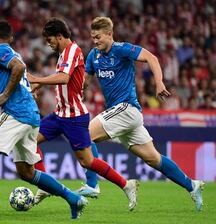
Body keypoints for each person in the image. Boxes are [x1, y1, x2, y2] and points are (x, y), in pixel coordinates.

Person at [0, 20, 88, 220]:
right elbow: (14, 78)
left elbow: (18, 69)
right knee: (27, 173)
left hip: (16, 113)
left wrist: (3, 96)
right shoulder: (13, 53)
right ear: (11, 38)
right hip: (31, 115)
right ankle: (72, 198)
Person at [84, 17, 204, 211]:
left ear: (109, 34)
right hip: (119, 114)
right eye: (93, 37)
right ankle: (192, 185)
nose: (95, 41)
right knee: (153, 159)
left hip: (127, 109)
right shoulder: (93, 55)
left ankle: (92, 185)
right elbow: (85, 81)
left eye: (98, 37)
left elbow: (151, 58)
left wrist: (159, 83)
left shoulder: (122, 49)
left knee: (84, 135)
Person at [27, 17, 139, 211]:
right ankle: (44, 186)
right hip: (59, 114)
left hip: (74, 117)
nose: (49, 44)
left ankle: (125, 184)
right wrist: (38, 85)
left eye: (50, 40)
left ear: (60, 36)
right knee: (30, 140)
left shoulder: (73, 51)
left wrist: (37, 79)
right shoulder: (63, 53)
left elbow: (64, 78)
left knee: (87, 161)